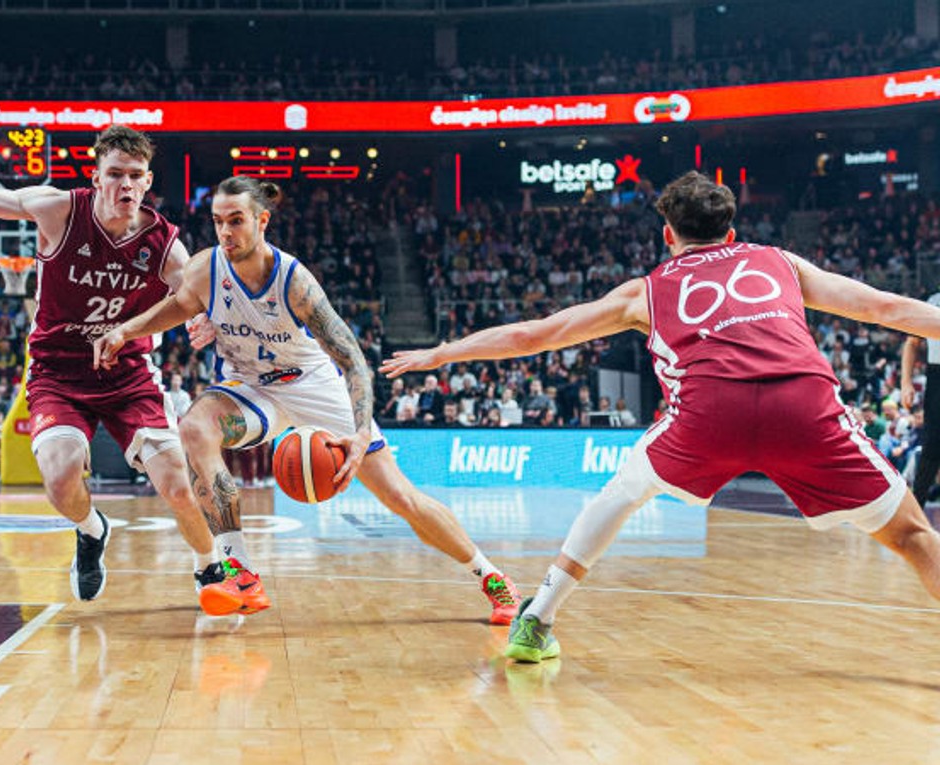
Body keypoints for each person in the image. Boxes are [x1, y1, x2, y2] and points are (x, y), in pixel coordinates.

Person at [383, 171, 940, 662]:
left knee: (622, 491)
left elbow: (535, 334)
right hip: (802, 404)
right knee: (915, 533)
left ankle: (538, 619)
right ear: (731, 233)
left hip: (709, 414)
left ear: (668, 235)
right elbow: (887, 308)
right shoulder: (781, 264)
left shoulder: (645, 291)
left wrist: (445, 352)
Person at [93, 175, 521, 622]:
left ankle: (491, 577)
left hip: (313, 386)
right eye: (218, 221)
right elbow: (179, 305)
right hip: (251, 390)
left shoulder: (295, 282)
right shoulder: (205, 268)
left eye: (236, 221)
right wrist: (127, 329)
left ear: (262, 221)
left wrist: (358, 432)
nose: (225, 232)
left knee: (401, 498)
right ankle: (239, 569)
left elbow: (354, 362)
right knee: (195, 429)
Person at [0, 124, 217, 601]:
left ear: (147, 181)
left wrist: (205, 320)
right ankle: (91, 528)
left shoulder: (164, 242)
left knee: (178, 488)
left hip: (127, 374)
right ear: (96, 177)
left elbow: (195, 293)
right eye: (115, 173)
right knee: (60, 481)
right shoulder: (58, 209)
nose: (125, 185)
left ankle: (208, 567)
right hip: (58, 373)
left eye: (135, 176)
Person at [901, 328, 940, 503]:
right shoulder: (931, 300)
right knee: (931, 446)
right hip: (936, 373)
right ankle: (916, 511)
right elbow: (912, 342)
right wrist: (906, 382)